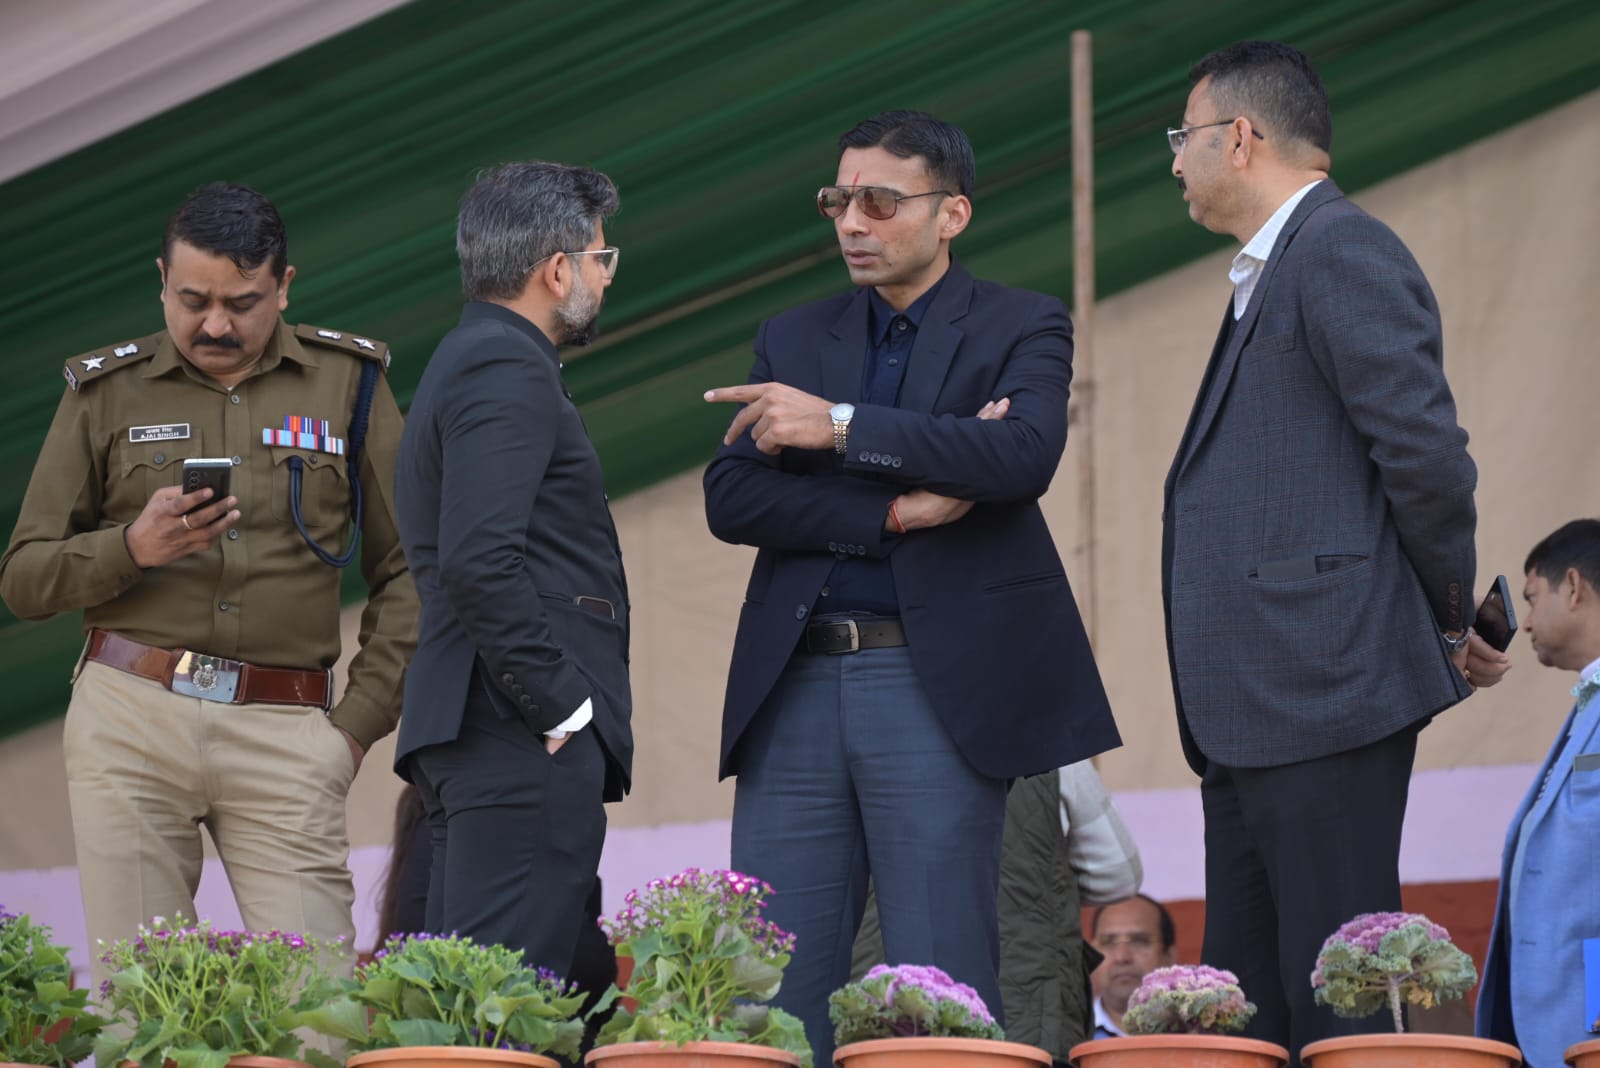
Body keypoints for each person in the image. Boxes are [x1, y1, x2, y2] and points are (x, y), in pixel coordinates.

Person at [703, 109, 1120, 1062]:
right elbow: (733, 496)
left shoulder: (1022, 322)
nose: (853, 222)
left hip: (933, 682)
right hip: (794, 683)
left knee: (943, 982)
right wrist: (895, 510)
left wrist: (838, 428)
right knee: (771, 989)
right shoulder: (792, 335)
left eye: (881, 202)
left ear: (952, 213)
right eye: (838, 200)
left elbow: (1021, 455)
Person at [1160, 41, 1509, 1061]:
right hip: (1254, 701)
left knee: (1338, 991)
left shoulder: (1341, 249)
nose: (1174, 161)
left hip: (1323, 681)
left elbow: (1427, 460)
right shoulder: (1276, 264)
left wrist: (1448, 615)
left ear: (1239, 137)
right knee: (1247, 1007)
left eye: (1183, 136)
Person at [0, 182, 417, 984]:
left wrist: (355, 728)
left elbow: (410, 568)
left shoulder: (349, 381)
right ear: (162, 280)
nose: (216, 325)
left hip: (287, 726)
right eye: (192, 301)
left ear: (284, 286)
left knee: (319, 1007)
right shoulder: (105, 392)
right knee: (142, 1002)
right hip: (131, 715)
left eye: (241, 303)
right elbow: (23, 579)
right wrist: (132, 547)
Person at [393, 161, 633, 978]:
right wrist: (560, 706)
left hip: (480, 723)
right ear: (557, 270)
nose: (605, 277)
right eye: (601, 258)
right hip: (514, 729)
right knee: (506, 1011)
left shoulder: (470, 354)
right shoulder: (505, 363)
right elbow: (479, 559)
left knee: (476, 1005)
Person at [852, 760, 1142, 1064]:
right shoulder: (1051, 745)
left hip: (881, 1017)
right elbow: (1118, 874)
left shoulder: (848, 743)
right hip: (1027, 1012)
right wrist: (1045, 888)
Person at [1477, 519, 1600, 1067]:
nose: (1524, 622)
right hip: (1555, 1020)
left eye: (1531, 598)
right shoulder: (1588, 701)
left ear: (1572, 587)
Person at [1089, 894, 1178, 1039]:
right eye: (1108, 942)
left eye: (1139, 941)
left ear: (1169, 956)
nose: (1121, 957)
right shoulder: (1065, 1036)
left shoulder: (1198, 1031)